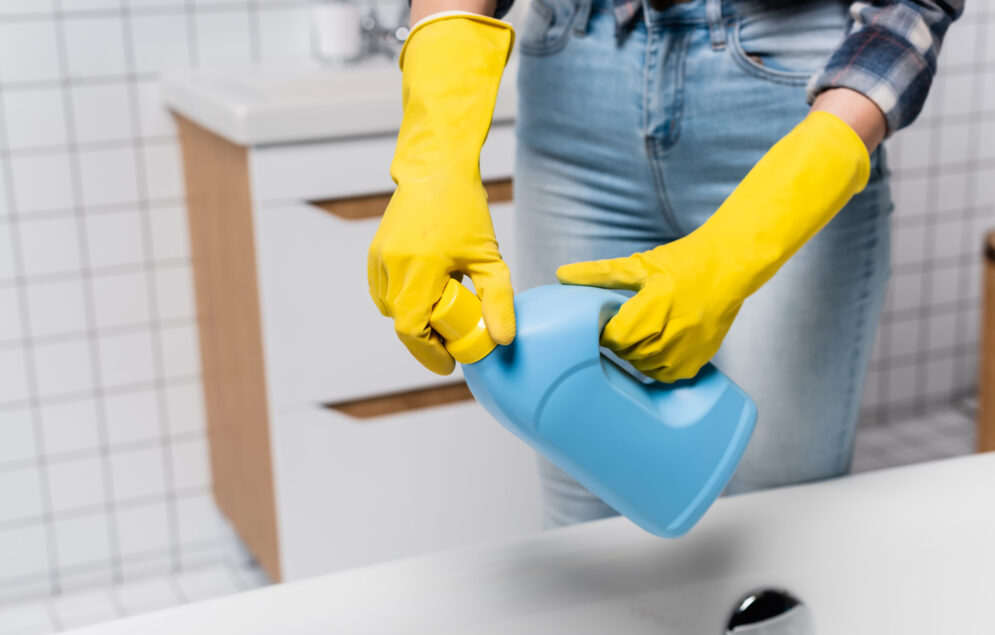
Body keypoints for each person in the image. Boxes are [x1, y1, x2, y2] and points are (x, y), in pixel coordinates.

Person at [368, 0, 964, 528]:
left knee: (773, 515)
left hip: (794, 97)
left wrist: (743, 241)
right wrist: (435, 154)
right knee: (583, 517)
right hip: (575, 80)